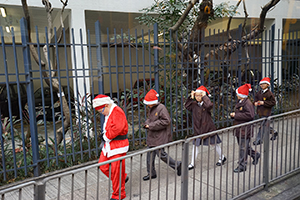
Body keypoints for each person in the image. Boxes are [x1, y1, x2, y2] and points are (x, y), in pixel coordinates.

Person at [92, 94, 129, 200]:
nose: (101, 113)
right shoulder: (110, 111)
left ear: (106, 105)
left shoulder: (116, 111)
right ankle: (123, 177)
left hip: (117, 145)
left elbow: (118, 128)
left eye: (101, 111)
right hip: (109, 145)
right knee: (103, 166)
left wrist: (105, 136)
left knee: (116, 171)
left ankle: (118, 195)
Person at [143, 89, 182, 181]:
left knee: (161, 155)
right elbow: (150, 119)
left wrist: (151, 125)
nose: (147, 105)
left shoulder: (161, 108)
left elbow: (166, 121)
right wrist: (147, 123)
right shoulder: (152, 108)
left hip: (160, 136)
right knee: (150, 155)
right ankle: (151, 173)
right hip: (153, 135)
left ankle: (178, 165)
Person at [185, 86, 226, 170]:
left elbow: (209, 106)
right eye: (196, 95)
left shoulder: (206, 104)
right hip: (198, 129)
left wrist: (204, 97)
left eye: (200, 95)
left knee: (214, 144)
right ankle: (192, 163)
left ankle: (222, 157)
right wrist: (190, 97)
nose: (198, 97)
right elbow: (187, 106)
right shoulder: (194, 104)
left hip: (208, 128)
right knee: (195, 146)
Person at [230, 84, 260, 173]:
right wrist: (234, 116)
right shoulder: (241, 101)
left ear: (242, 94)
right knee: (244, 146)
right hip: (240, 128)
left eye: (237, 93)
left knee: (243, 148)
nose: (236, 95)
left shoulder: (247, 104)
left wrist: (236, 115)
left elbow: (250, 115)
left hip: (245, 129)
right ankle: (255, 155)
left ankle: (242, 165)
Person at [253, 77, 278, 145]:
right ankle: (274, 132)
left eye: (264, 84)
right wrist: (255, 103)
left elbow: (273, 102)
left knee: (262, 126)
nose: (262, 85)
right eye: (261, 84)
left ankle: (259, 140)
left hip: (266, 112)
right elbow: (255, 99)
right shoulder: (258, 93)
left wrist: (264, 103)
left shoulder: (269, 94)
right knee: (265, 126)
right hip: (260, 112)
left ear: (268, 85)